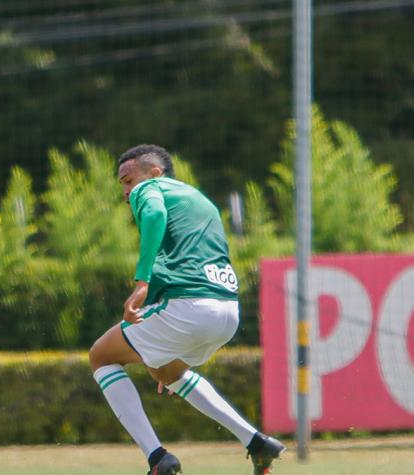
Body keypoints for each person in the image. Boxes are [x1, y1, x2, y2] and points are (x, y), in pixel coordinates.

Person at [88, 145, 285, 475]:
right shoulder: (199, 200)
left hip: (188, 308)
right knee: (166, 371)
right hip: (226, 311)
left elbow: (153, 215)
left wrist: (142, 282)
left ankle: (157, 458)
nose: (126, 192)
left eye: (127, 180)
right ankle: (256, 442)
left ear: (154, 173)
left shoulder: (150, 189)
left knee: (101, 356)